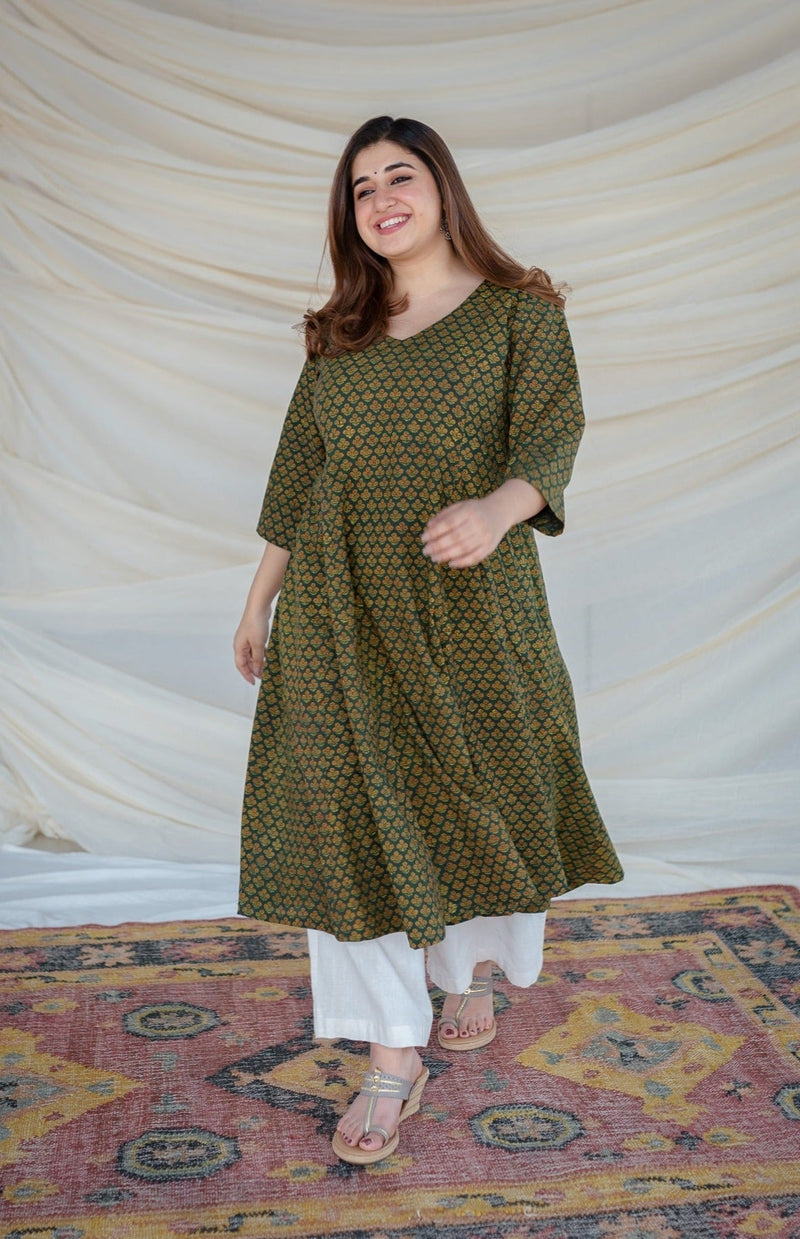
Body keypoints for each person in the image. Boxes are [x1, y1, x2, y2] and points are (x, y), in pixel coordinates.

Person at [233, 115, 623, 1165]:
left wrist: (496, 510)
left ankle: (468, 970)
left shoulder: (518, 310)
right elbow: (297, 475)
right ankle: (391, 1051)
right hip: (338, 607)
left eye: (398, 177)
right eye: (360, 189)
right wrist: (258, 601)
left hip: (466, 605)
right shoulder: (340, 333)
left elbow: (551, 435)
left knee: (476, 790)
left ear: (443, 188)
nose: (380, 200)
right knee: (343, 817)